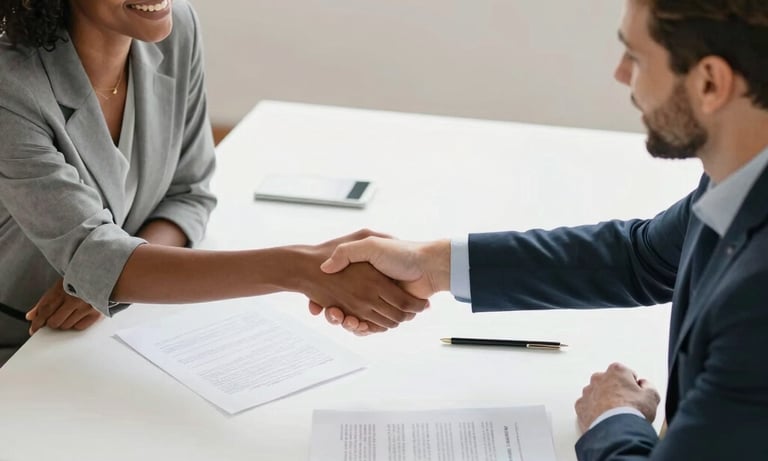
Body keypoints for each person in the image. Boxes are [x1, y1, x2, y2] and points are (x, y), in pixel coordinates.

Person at [311, 0, 768, 459]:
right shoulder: (739, 172)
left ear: (710, 82)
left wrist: (613, 417)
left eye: (635, 57)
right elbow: (642, 259)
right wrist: (431, 266)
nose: (620, 74)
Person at [0, 0, 425, 365]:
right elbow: (94, 256)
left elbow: (188, 194)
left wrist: (107, 280)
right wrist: (301, 267)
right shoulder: (11, 87)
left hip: (99, 335)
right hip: (20, 344)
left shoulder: (174, 29)